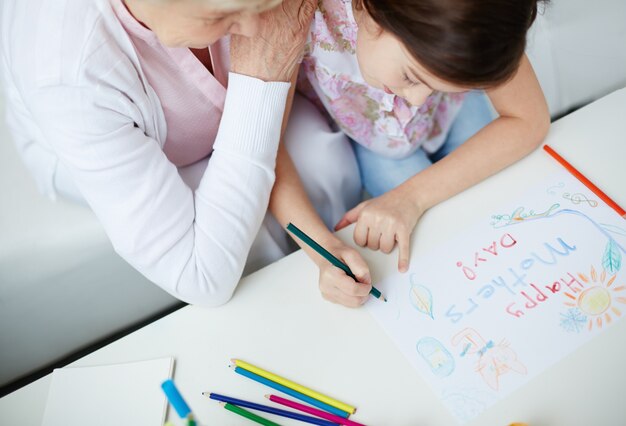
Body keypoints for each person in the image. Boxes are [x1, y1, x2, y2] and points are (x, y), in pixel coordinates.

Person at [0, 0, 361, 306]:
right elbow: (201, 278)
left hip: (229, 102)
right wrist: (261, 78)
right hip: (120, 146)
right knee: (248, 242)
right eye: (219, 16)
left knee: (324, 154)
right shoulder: (68, 74)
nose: (256, 29)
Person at [269, 0, 551, 307]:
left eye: (438, 85)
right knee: (438, 245)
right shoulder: (294, 18)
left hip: (452, 113)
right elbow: (264, 151)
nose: (417, 101)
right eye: (412, 76)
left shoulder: (473, 14)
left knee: (499, 206)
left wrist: (411, 197)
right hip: (376, 139)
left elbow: (529, 120)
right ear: (372, 11)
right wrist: (324, 252)